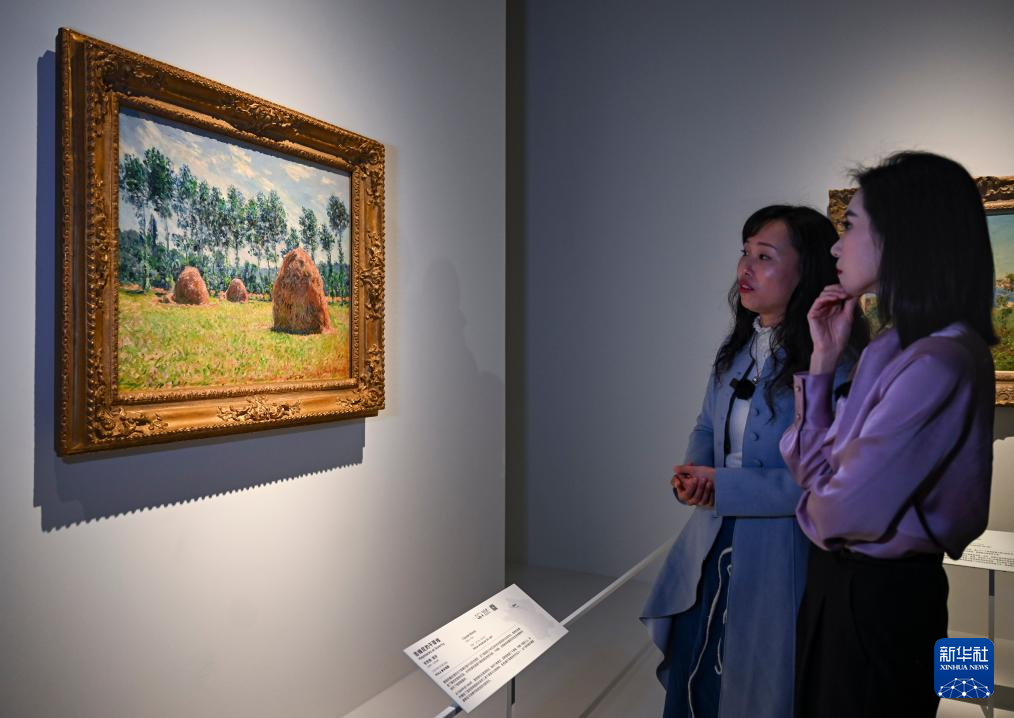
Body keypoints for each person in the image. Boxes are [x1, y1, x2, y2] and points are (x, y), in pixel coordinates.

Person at [780, 152, 997, 717]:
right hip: (844, 586)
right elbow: (811, 471)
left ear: (902, 236)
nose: (836, 248)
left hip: (880, 598)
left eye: (850, 227)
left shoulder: (940, 360)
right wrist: (823, 362)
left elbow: (835, 510)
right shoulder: (893, 347)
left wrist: (818, 500)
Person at [641, 205, 867, 718]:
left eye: (764, 256)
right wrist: (695, 474)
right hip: (712, 538)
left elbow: (824, 480)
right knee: (697, 671)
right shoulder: (739, 348)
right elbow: (706, 426)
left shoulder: (837, 363)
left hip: (785, 551)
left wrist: (723, 486)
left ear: (806, 269)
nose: (745, 267)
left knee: (760, 685)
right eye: (745, 252)